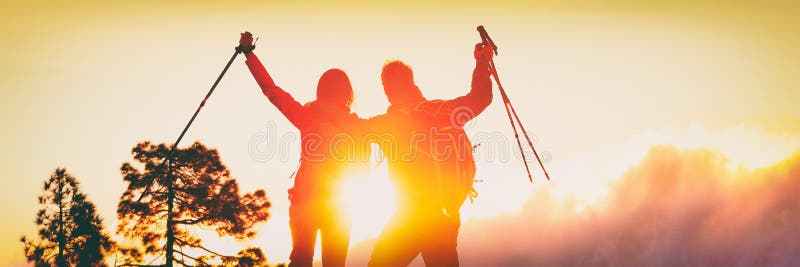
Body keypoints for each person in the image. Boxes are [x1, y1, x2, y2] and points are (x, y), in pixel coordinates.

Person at [238, 32, 368, 267]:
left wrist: (249, 54)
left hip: (306, 202)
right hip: (338, 206)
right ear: (347, 95)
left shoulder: (308, 118)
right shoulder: (356, 127)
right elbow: (363, 168)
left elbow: (272, 91)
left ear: (321, 92)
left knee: (300, 260)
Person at [366, 42, 495, 266]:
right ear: (412, 82)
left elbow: (355, 130)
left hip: (412, 217)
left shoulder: (392, 122)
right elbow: (480, 97)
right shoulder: (444, 111)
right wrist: (482, 62)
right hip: (447, 213)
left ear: (388, 90)